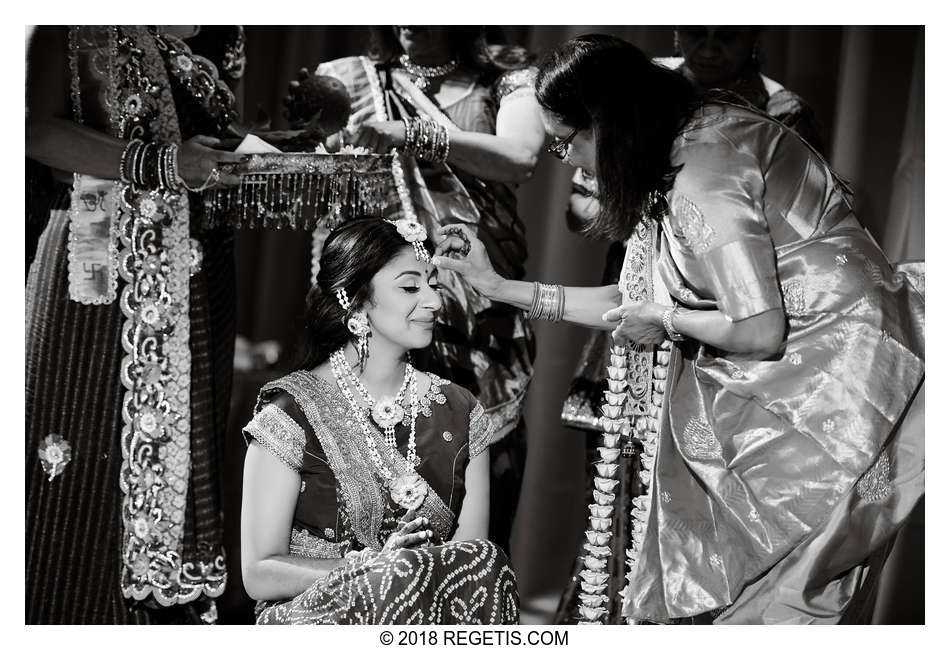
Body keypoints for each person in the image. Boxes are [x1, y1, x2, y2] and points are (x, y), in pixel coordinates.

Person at [433, 34, 924, 624]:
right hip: (791, 387)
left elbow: (759, 329)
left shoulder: (705, 172)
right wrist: (503, 289)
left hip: (842, 392)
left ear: (606, 124)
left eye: (566, 143)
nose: (567, 162)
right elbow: (633, 299)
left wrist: (663, 320)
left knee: (789, 601)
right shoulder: (678, 148)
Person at [556, 26, 828, 624]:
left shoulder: (716, 152)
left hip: (737, 353)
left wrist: (670, 316)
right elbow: (587, 217)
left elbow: (760, 324)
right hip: (648, 316)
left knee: (714, 538)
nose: (706, 44)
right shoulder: (655, 104)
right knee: (615, 493)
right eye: (692, 30)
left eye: (723, 32)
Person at [286, 26, 546, 553]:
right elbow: (318, 185)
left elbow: (520, 156)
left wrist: (411, 133)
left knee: (476, 471)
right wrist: (305, 141)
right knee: (359, 475)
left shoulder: (506, 78)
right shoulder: (347, 80)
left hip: (475, 309)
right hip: (375, 308)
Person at [26, 25, 247, 623]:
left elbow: (208, 149)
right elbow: (33, 129)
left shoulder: (201, 46)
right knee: (79, 433)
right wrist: (165, 163)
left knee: (183, 451)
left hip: (193, 275)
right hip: (98, 247)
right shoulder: (76, 24)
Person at [240, 218, 518, 624]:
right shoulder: (290, 413)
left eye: (433, 285)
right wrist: (377, 570)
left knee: (487, 557)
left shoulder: (461, 410)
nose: (434, 302)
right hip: (318, 619)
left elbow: (469, 567)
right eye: (410, 287)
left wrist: (406, 574)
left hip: (427, 623)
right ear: (354, 300)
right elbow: (259, 574)